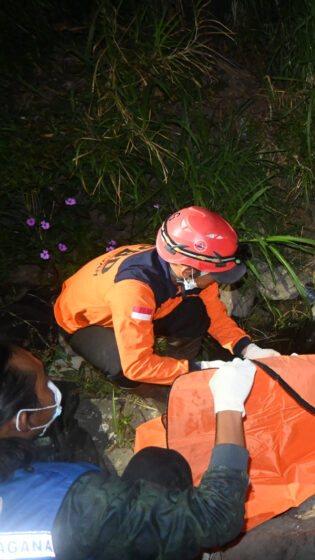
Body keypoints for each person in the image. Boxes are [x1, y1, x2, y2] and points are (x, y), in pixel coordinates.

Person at [0, 342, 256, 559]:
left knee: (156, 465)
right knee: (162, 471)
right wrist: (229, 403)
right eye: (44, 382)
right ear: (23, 420)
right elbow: (217, 516)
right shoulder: (79, 500)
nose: (53, 385)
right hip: (78, 524)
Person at [53, 206, 280, 390]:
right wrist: (200, 369)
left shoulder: (184, 264)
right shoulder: (135, 291)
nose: (217, 282)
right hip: (82, 322)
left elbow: (216, 317)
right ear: (188, 273)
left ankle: (180, 370)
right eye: (216, 276)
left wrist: (248, 349)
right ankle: (164, 388)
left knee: (196, 310)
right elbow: (137, 365)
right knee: (124, 368)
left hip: (129, 306)